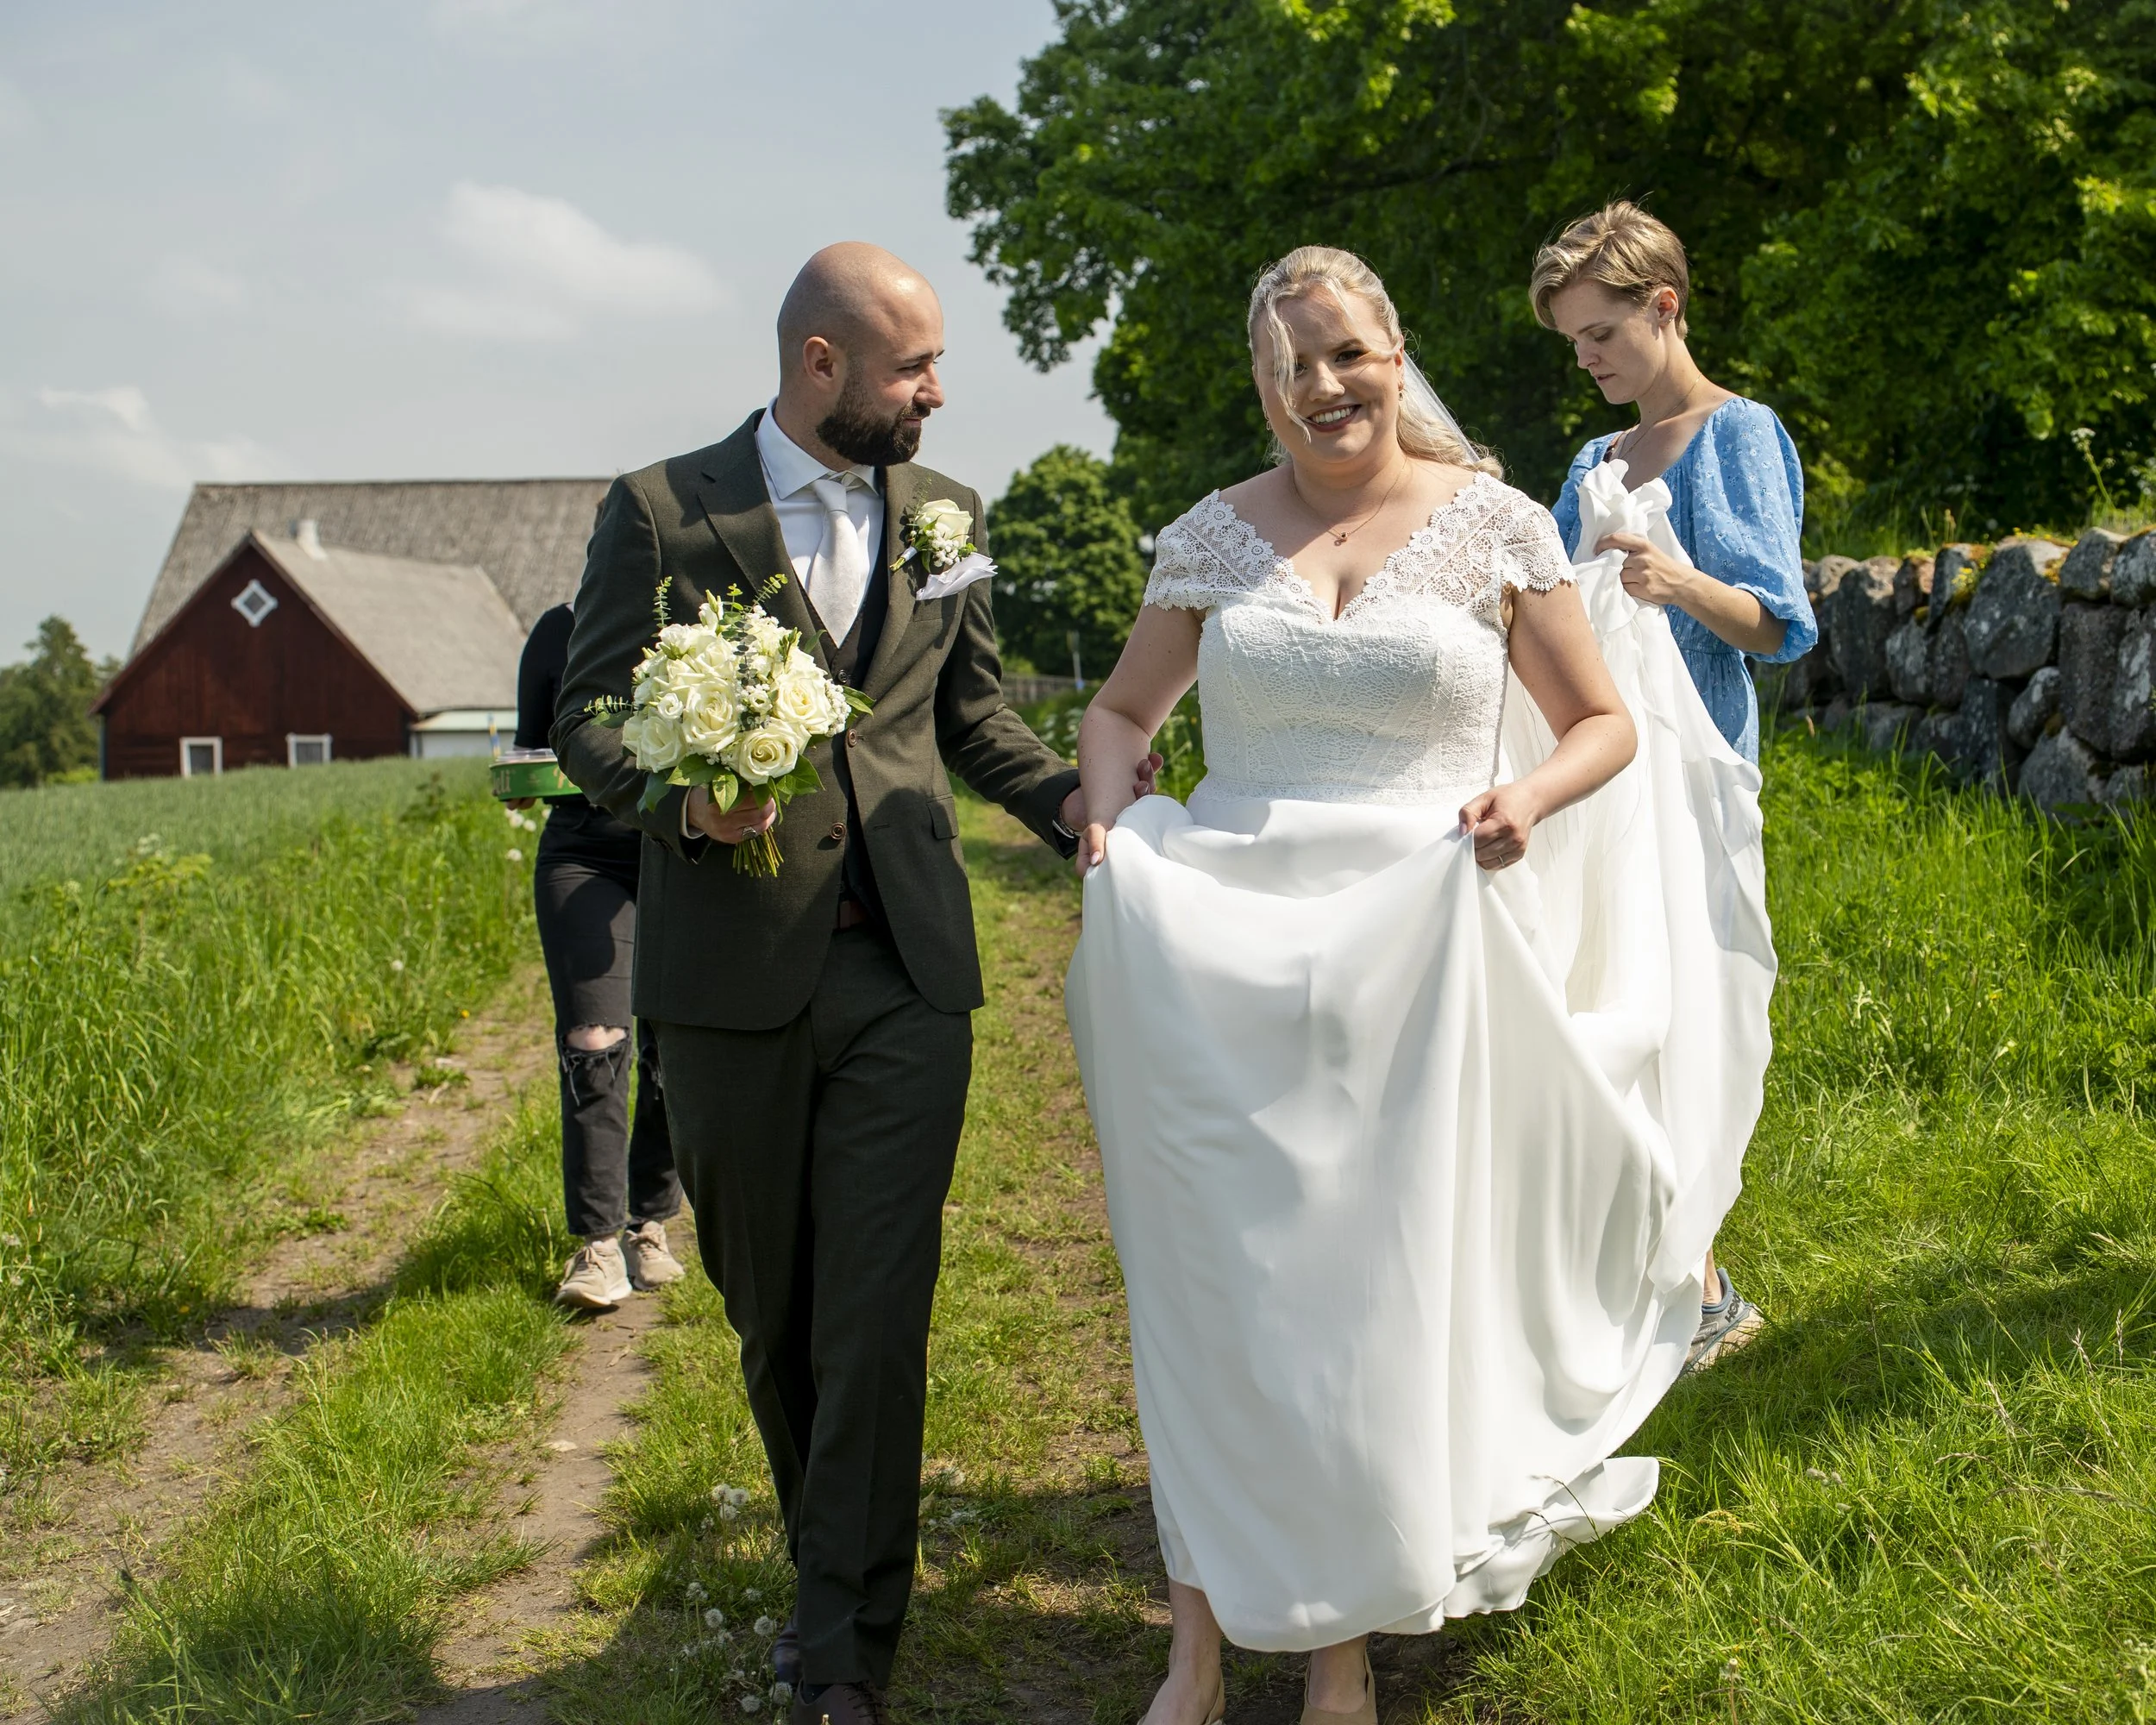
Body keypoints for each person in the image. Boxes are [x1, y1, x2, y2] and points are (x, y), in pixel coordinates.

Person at [1066, 245, 1773, 1724]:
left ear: (1397, 354)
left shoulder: (1496, 527)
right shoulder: (1211, 538)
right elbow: (1125, 709)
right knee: (1208, 1290)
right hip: (1217, 954)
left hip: (1414, 952)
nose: (1323, 387)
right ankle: (1193, 1647)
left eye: (1347, 354)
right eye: (1291, 367)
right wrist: (1104, 804)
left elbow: (1598, 725)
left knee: (1355, 1294)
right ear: (1263, 386)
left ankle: (1341, 1648)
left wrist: (1528, 803)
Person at [553, 242, 1153, 1725]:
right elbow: (586, 714)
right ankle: (837, 1565)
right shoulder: (666, 510)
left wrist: (1089, 814)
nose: (938, 394)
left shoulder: (947, 517)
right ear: (820, 365)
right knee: (781, 1314)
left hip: (905, 965)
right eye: (914, 368)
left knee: (879, 1307)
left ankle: (842, 1648)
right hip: (726, 975)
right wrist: (686, 801)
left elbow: (973, 710)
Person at [1535, 201, 1817, 1371]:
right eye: (1572, 342)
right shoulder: (1590, 463)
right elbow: (1541, 601)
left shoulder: (1734, 433)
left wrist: (1674, 579)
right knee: (1599, 1005)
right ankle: (1638, 1272)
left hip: (1694, 774)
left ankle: (1702, 1287)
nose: (1588, 358)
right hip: (1599, 772)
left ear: (1665, 307)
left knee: (1683, 1019)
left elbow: (1780, 626)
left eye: (1601, 332)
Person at [510, 601, 685, 1311]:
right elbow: (533, 752)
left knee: (671, 1044)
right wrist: (521, 782)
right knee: (593, 1037)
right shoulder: (561, 632)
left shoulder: (706, 628)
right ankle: (597, 1245)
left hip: (683, 854)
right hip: (582, 857)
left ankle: (651, 1222)